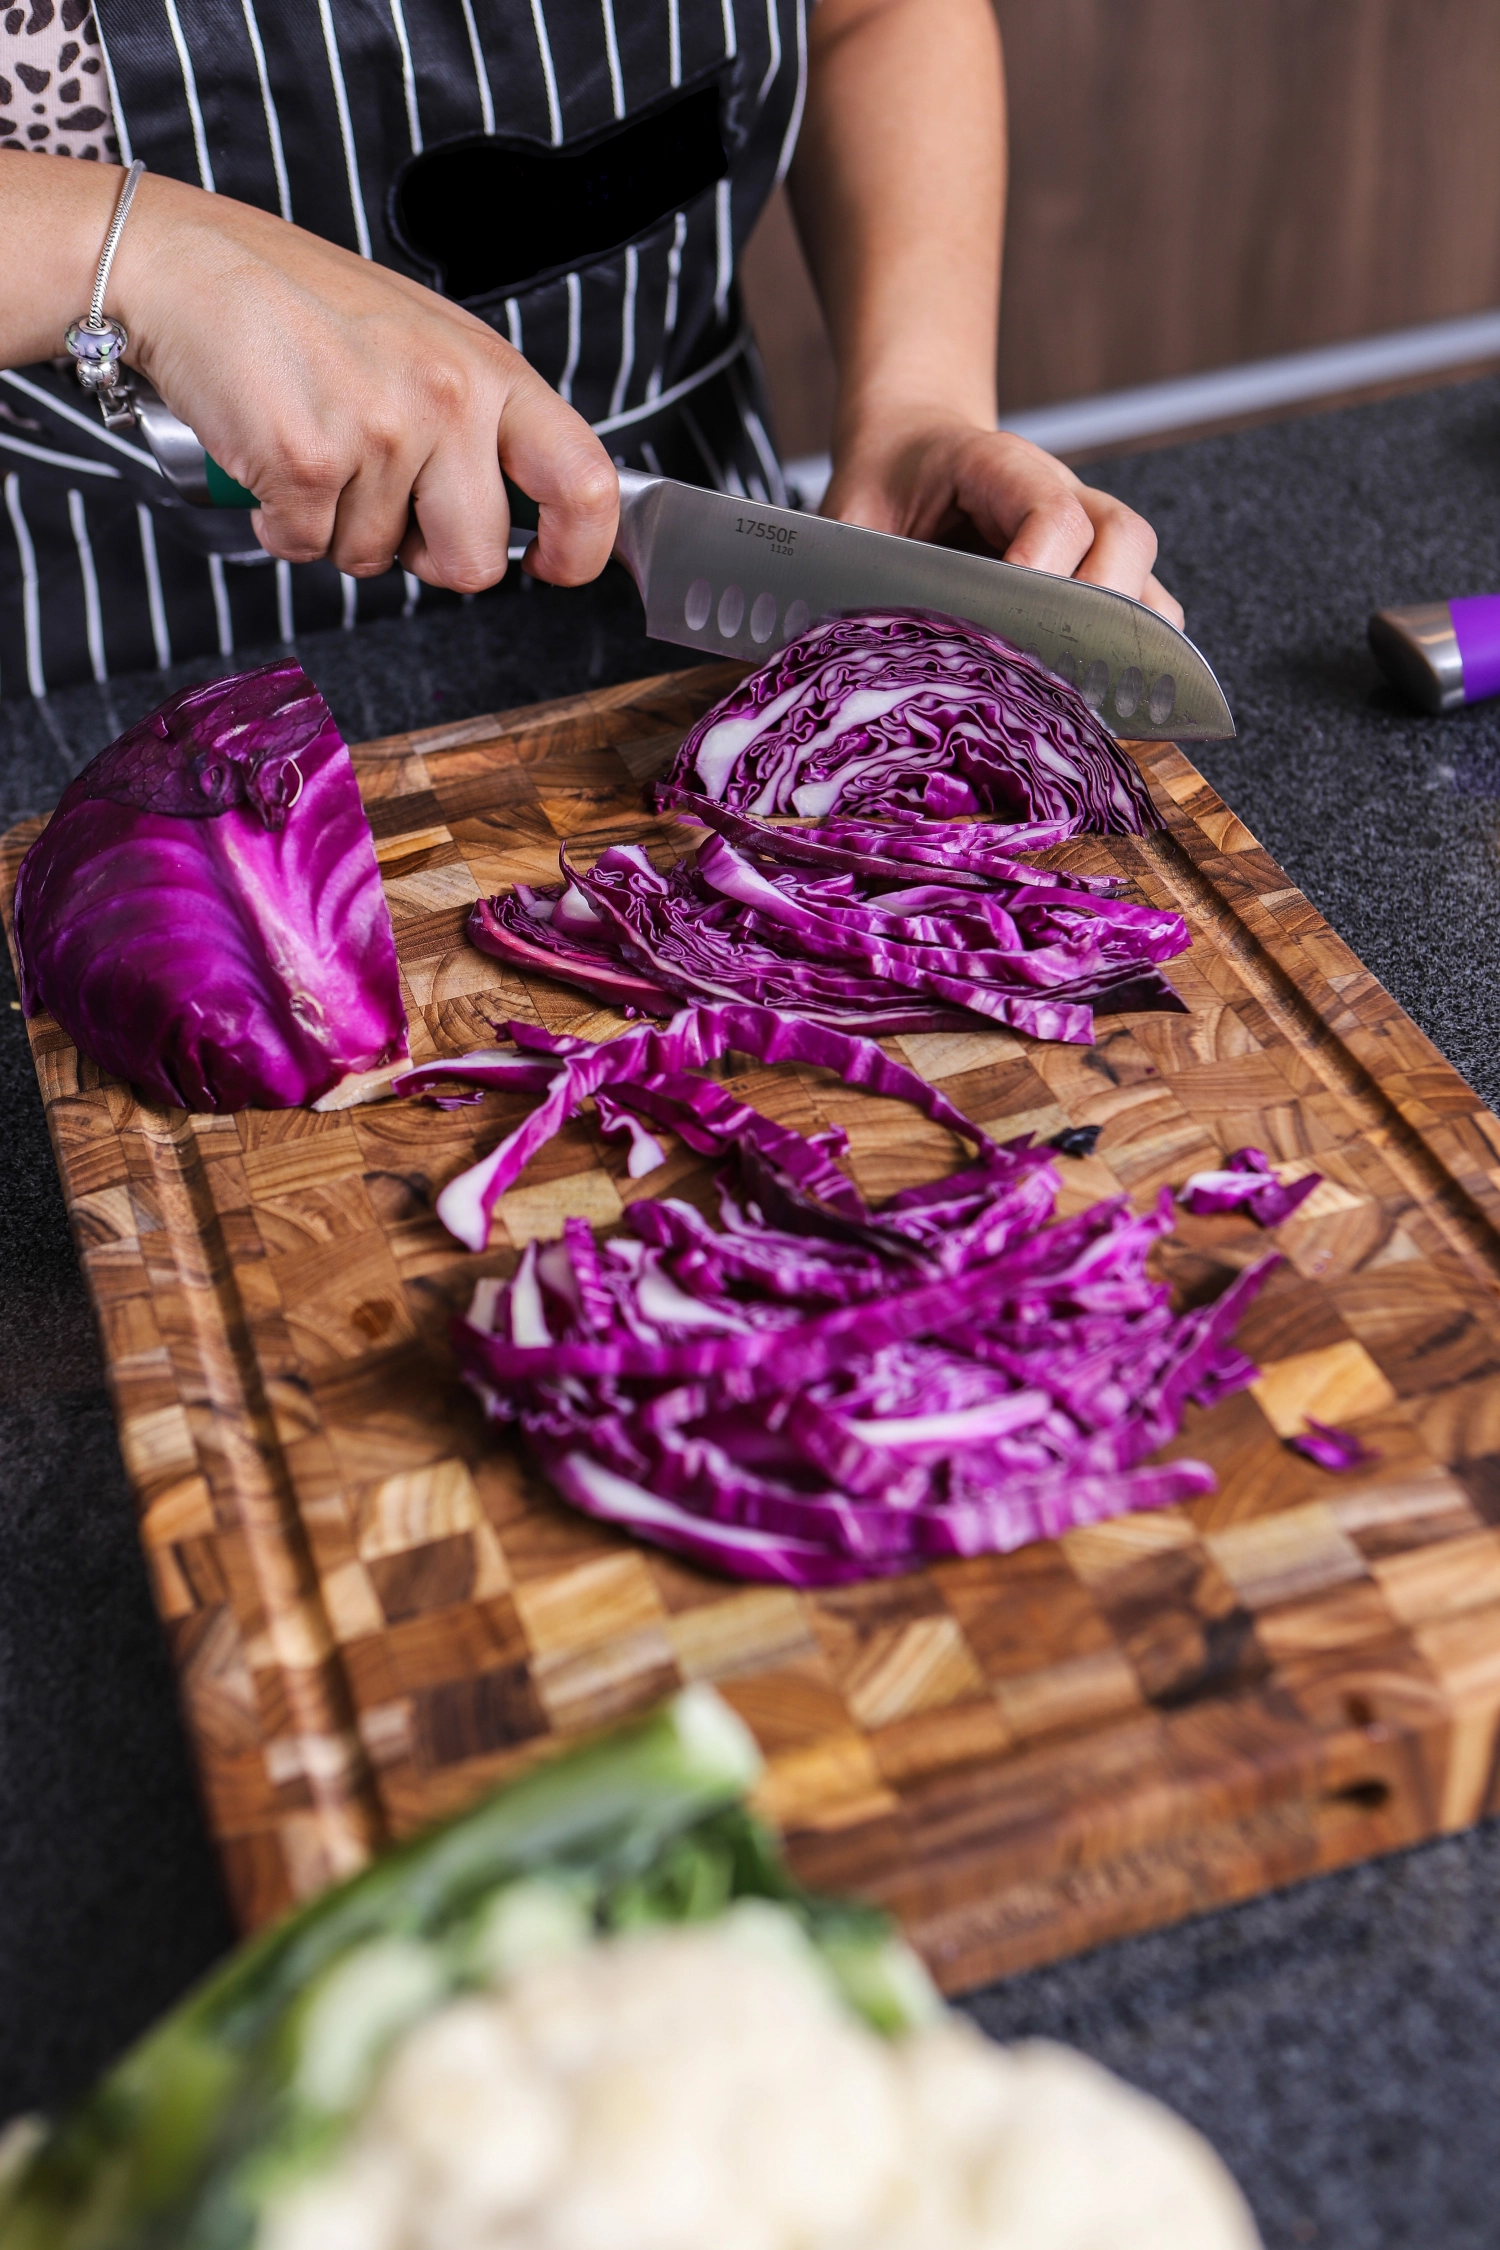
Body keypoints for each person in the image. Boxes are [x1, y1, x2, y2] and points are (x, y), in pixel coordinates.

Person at [0, 0, 1178, 700]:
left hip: (692, 586)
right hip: (120, 629)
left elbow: (870, 13)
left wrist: (917, 401)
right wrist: (135, 250)